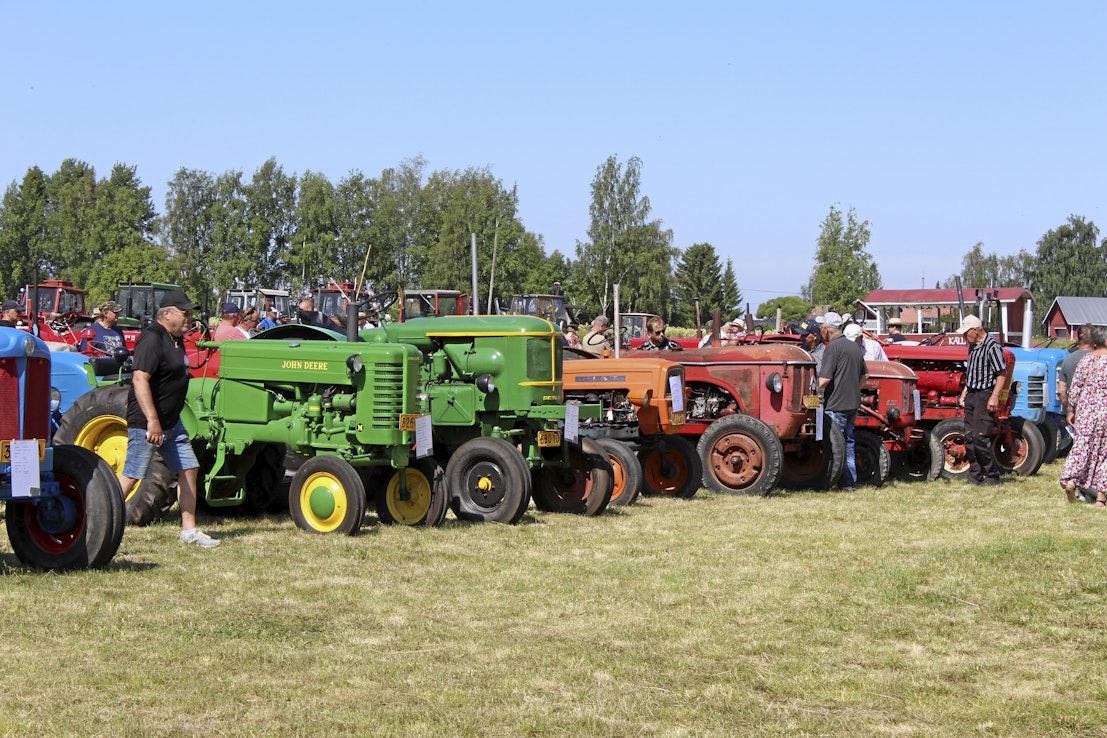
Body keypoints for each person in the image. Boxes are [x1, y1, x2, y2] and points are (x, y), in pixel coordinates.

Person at [117, 290, 219, 547]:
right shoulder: (152, 338)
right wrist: (152, 421)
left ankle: (189, 532)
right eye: (185, 313)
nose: (189, 318)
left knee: (189, 469)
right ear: (167, 313)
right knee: (132, 475)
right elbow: (140, 379)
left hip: (172, 422)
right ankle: (100, 522)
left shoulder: (175, 339)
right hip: (149, 422)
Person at [955, 314, 1007, 486]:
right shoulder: (972, 347)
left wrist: (994, 396)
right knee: (969, 437)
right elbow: (971, 373)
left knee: (981, 437)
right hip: (972, 394)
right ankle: (975, 474)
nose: (964, 337)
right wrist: (964, 392)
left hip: (985, 395)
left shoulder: (992, 346)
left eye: (966, 333)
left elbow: (1001, 373)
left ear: (976, 331)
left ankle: (992, 475)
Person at [818, 311, 867, 491]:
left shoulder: (832, 348)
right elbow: (865, 375)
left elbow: (825, 379)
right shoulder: (854, 346)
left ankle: (839, 482)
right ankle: (850, 482)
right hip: (852, 403)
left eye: (822, 327)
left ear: (827, 329)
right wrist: (855, 390)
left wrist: (811, 391)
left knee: (835, 446)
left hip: (836, 405)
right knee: (848, 442)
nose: (821, 330)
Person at [1059, 325, 1107, 504]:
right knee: (1105, 454)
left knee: (1082, 447)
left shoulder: (1085, 360)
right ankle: (1101, 498)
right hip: (1105, 413)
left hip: (1086, 412)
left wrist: (1072, 410)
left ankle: (1071, 481)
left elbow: (1075, 388)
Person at [1058, 323, 1095, 416]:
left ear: (1077, 339)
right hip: (1098, 411)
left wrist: (1068, 410)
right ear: (1094, 340)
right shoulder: (1101, 359)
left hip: (1077, 411)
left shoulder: (1067, 359)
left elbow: (1061, 391)